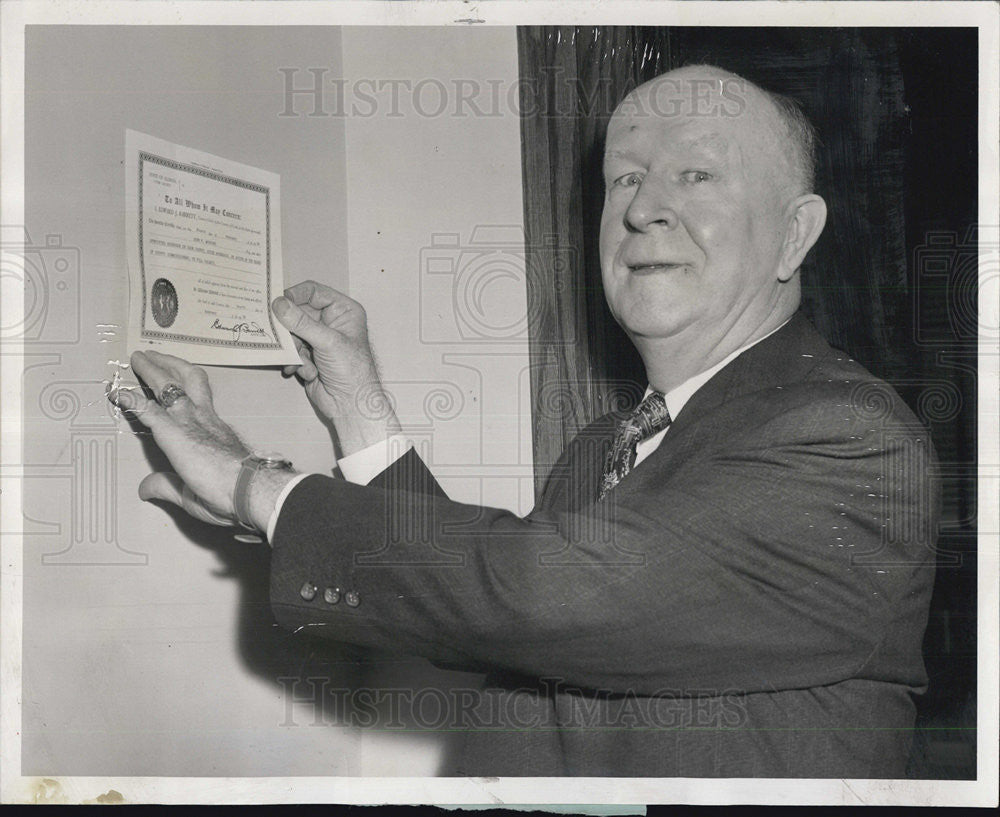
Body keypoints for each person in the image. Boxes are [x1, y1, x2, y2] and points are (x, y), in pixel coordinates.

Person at [110, 65, 938, 777]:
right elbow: (498, 614)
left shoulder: (850, 436)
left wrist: (260, 487)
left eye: (697, 176)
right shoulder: (600, 448)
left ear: (795, 233)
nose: (645, 208)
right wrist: (361, 407)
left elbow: (546, 597)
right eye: (625, 177)